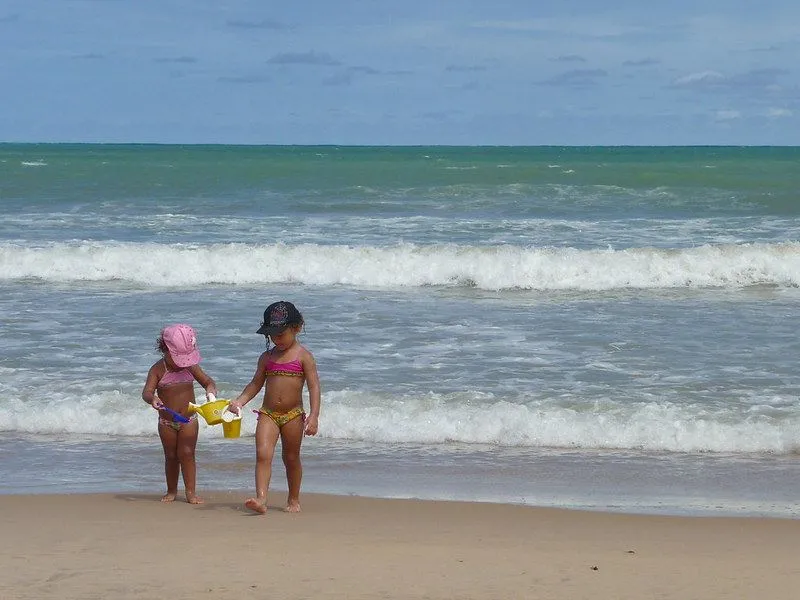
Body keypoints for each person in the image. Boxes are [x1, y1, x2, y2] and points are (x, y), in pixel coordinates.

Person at [228, 301, 321, 514]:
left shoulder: (304, 357)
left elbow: (314, 387)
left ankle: (294, 499)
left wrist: (314, 416)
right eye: (272, 335)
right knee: (262, 453)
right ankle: (261, 498)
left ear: (296, 328)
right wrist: (240, 401)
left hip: (293, 415)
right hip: (268, 413)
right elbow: (255, 384)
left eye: (281, 334)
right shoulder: (267, 358)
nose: (276, 339)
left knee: (291, 458)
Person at [141, 323, 217, 504]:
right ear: (165, 349)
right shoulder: (158, 369)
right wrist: (152, 399)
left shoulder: (190, 367)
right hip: (166, 421)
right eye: (178, 357)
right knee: (171, 456)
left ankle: (191, 493)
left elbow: (208, 382)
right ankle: (172, 490)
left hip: (189, 419)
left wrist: (210, 393)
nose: (182, 361)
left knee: (187, 453)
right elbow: (147, 392)